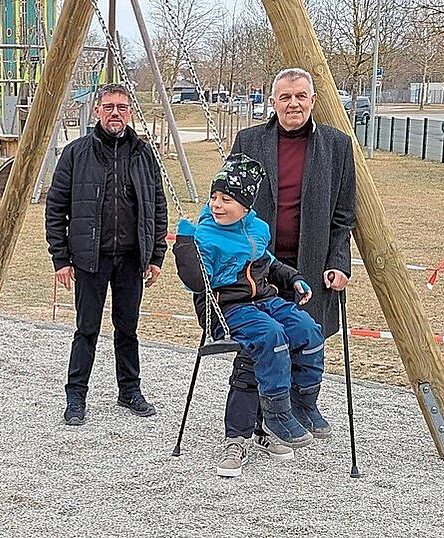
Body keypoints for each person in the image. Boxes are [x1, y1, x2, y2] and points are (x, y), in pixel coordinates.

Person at [206, 67, 356, 476]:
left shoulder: (337, 146)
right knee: (255, 350)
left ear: (313, 100)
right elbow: (226, 206)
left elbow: (343, 216)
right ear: (273, 102)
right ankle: (239, 434)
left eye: (301, 96)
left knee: (301, 339)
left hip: (308, 266)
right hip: (258, 268)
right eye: (285, 96)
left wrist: (338, 263)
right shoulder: (249, 141)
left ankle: (283, 422)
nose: (293, 104)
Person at [173, 154, 328, 477]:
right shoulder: (204, 235)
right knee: (270, 339)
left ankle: (304, 401)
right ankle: (271, 416)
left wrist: (292, 277)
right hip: (227, 308)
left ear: (246, 207)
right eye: (214, 197)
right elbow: (196, 281)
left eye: (226, 199)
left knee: (308, 331)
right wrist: (185, 243)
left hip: (263, 301)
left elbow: (266, 262)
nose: (216, 205)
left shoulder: (256, 228)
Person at [45, 83, 168, 426]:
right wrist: (61, 258)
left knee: (127, 329)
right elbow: (56, 208)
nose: (116, 113)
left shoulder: (144, 154)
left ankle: (129, 390)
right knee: (87, 329)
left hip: (131, 259)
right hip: (89, 258)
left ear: (130, 112)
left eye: (122, 107)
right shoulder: (76, 153)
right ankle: (76, 396)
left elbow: (158, 206)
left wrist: (155, 255)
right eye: (109, 106)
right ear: (97, 111)